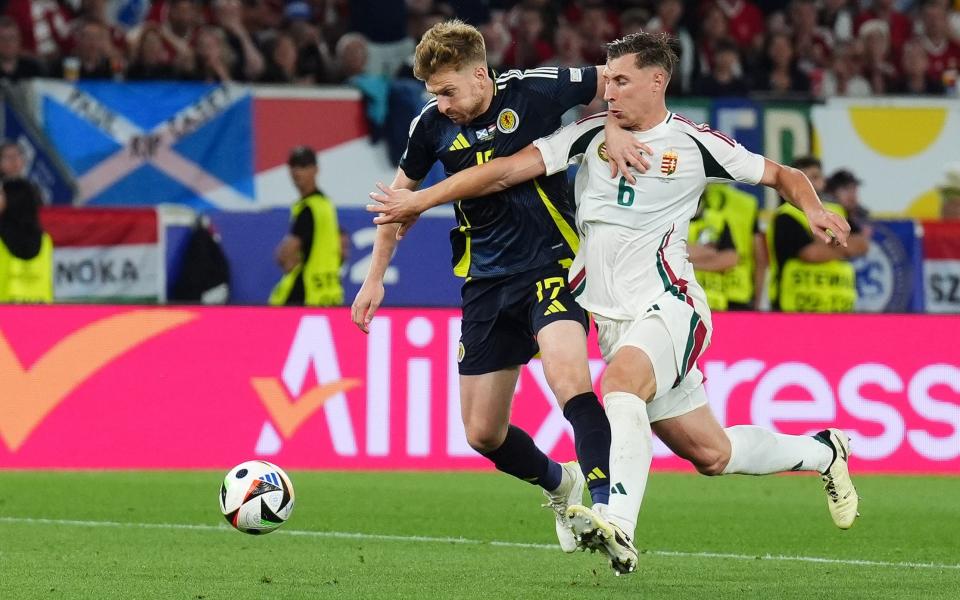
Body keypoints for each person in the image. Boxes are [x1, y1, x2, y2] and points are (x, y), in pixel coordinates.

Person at [368, 31, 860, 575]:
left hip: (671, 304)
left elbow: (781, 175)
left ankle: (618, 523)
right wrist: (422, 200)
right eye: (609, 81)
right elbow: (505, 171)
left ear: (658, 81)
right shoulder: (584, 137)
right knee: (712, 454)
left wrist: (811, 208)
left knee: (617, 385)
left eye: (622, 81)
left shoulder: (695, 144)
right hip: (611, 319)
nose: (610, 92)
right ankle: (824, 451)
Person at [350, 19, 650, 553]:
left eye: (447, 91)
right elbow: (398, 206)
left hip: (552, 264)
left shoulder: (536, 88)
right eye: (433, 93)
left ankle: (608, 510)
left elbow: (618, 77)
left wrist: (614, 124)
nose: (441, 103)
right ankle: (562, 486)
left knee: (569, 380)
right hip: (486, 282)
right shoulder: (430, 127)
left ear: (481, 74)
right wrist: (375, 279)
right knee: (483, 433)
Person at [769, 161, 870, 313]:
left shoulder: (836, 210)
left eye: (817, 177)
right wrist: (842, 246)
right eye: (805, 178)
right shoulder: (786, 215)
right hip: (795, 309)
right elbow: (811, 254)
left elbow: (862, 245)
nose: (811, 183)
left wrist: (825, 245)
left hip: (837, 307)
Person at [269, 146, 344, 307]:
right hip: (329, 290)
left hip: (307, 291)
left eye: (303, 166)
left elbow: (287, 253)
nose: (297, 172)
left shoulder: (308, 208)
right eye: (293, 166)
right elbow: (341, 245)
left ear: (315, 169)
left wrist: (285, 257)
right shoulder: (326, 205)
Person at [0, 178, 53, 303]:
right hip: (40, 313)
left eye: (2, 194)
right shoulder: (46, 240)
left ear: (13, 199)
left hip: (5, 314)